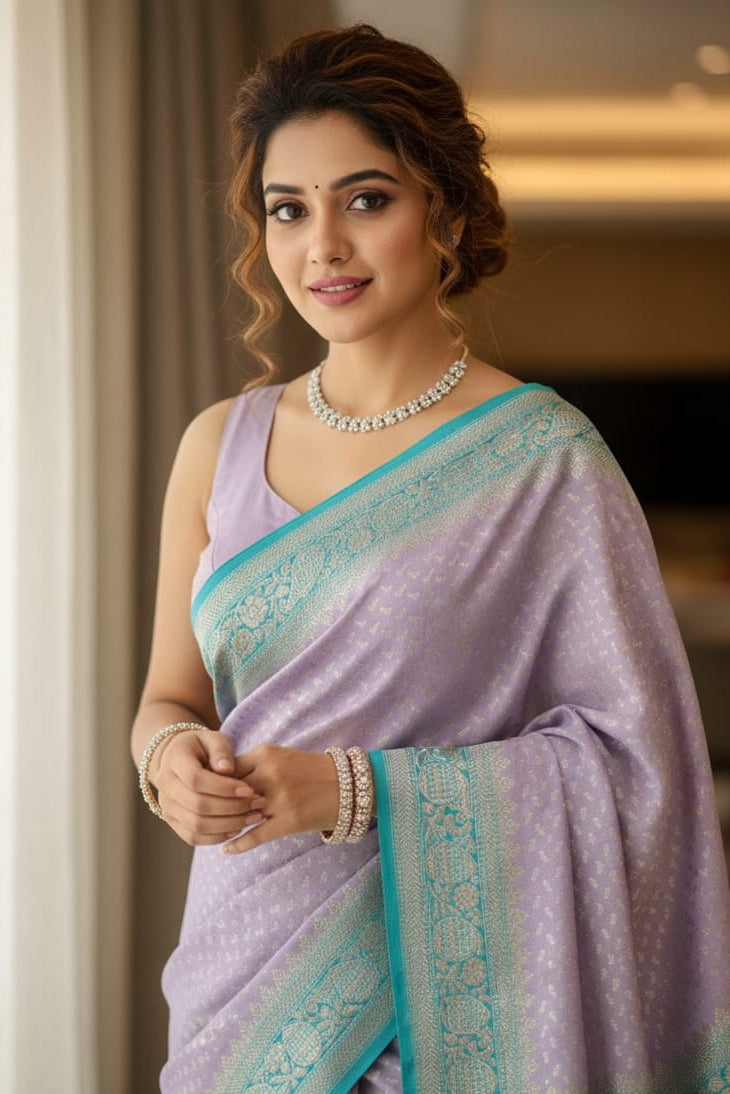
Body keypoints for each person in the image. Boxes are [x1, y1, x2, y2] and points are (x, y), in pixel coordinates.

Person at [130, 23, 730, 1094]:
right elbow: (168, 696)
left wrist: (354, 789)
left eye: (366, 199)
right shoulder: (214, 444)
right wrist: (166, 762)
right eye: (288, 208)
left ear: (444, 209)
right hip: (237, 973)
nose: (323, 246)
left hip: (443, 1014)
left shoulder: (543, 461)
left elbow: (640, 764)